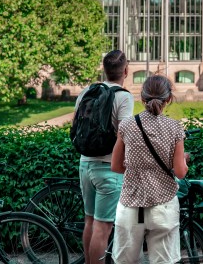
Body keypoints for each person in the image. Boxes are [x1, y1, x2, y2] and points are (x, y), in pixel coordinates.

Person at [111, 75, 188, 264]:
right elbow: (180, 172)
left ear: (142, 98)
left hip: (131, 204)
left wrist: (137, 169)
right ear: (168, 99)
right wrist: (184, 161)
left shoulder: (127, 125)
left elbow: (115, 165)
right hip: (163, 206)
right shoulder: (174, 128)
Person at [75, 50, 134, 264]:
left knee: (90, 221)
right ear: (125, 71)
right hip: (109, 168)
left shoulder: (86, 92)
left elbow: (76, 125)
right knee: (103, 227)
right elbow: (125, 132)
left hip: (85, 164)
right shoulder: (123, 96)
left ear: (104, 69)